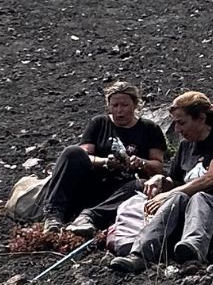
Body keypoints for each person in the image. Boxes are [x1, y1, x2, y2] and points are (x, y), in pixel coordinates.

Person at [107, 92, 213, 271]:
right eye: (175, 123)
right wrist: (161, 180)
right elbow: (175, 181)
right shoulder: (185, 146)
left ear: (201, 118)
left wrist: (170, 193)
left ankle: (193, 248)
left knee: (199, 197)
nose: (177, 129)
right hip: (192, 216)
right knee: (178, 199)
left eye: (181, 123)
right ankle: (140, 255)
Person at [40, 82, 168, 238]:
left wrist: (140, 163)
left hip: (122, 189)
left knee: (141, 186)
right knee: (72, 152)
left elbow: (158, 166)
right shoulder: (99, 123)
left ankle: (90, 217)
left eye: (124, 105)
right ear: (109, 106)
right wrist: (105, 162)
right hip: (94, 182)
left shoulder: (149, 129)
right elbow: (85, 155)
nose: (119, 111)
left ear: (135, 105)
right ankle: (53, 215)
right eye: (115, 105)